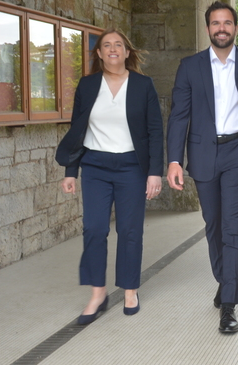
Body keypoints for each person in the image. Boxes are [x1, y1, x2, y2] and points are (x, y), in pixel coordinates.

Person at [166, 1, 238, 334]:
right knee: (212, 226)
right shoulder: (190, 67)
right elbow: (179, 116)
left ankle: (229, 305)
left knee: (232, 229)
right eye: (216, 23)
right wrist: (173, 160)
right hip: (203, 155)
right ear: (208, 28)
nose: (222, 28)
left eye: (228, 22)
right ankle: (224, 279)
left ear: (236, 28)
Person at [55, 29, 164, 325]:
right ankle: (98, 293)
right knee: (94, 229)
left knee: (130, 230)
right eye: (107, 45)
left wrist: (155, 172)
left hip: (132, 167)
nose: (113, 49)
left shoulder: (143, 85)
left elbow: (155, 131)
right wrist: (71, 172)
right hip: (95, 167)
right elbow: (76, 129)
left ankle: (130, 290)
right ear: (99, 54)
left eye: (119, 44)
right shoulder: (88, 86)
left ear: (127, 52)